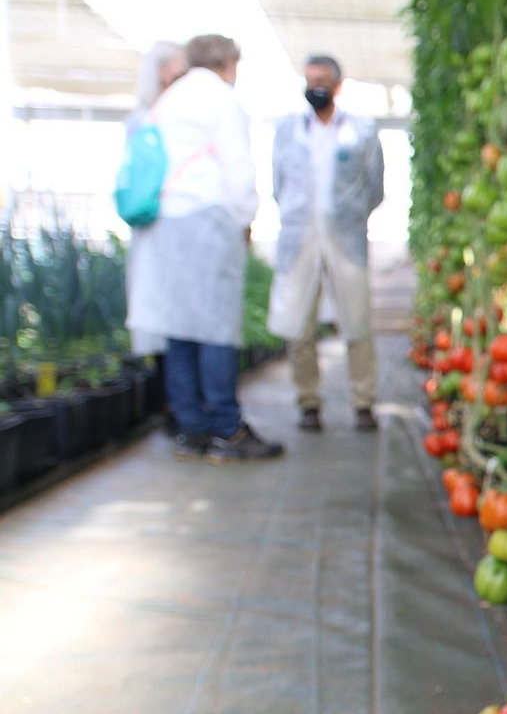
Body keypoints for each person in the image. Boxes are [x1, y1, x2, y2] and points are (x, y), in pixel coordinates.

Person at [125, 34, 284, 463]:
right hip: (204, 220)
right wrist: (244, 218)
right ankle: (227, 431)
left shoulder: (167, 100)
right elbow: (237, 168)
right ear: (228, 64)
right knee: (215, 328)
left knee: (179, 329)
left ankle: (192, 429)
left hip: (163, 225)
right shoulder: (219, 99)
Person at [268, 55, 385, 433]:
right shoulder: (287, 131)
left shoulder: (362, 132)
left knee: (357, 322)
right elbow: (278, 185)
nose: (314, 86)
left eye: (321, 80)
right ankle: (308, 402)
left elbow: (375, 187)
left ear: (337, 85)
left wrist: (350, 217)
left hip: (346, 238)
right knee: (299, 324)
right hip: (300, 238)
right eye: (309, 79)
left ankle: (363, 401)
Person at [124, 42, 190, 432]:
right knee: (167, 325)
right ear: (164, 73)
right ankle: (174, 408)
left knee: (178, 322)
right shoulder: (146, 120)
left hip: (175, 236)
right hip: (160, 233)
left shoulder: (162, 117)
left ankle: (181, 408)